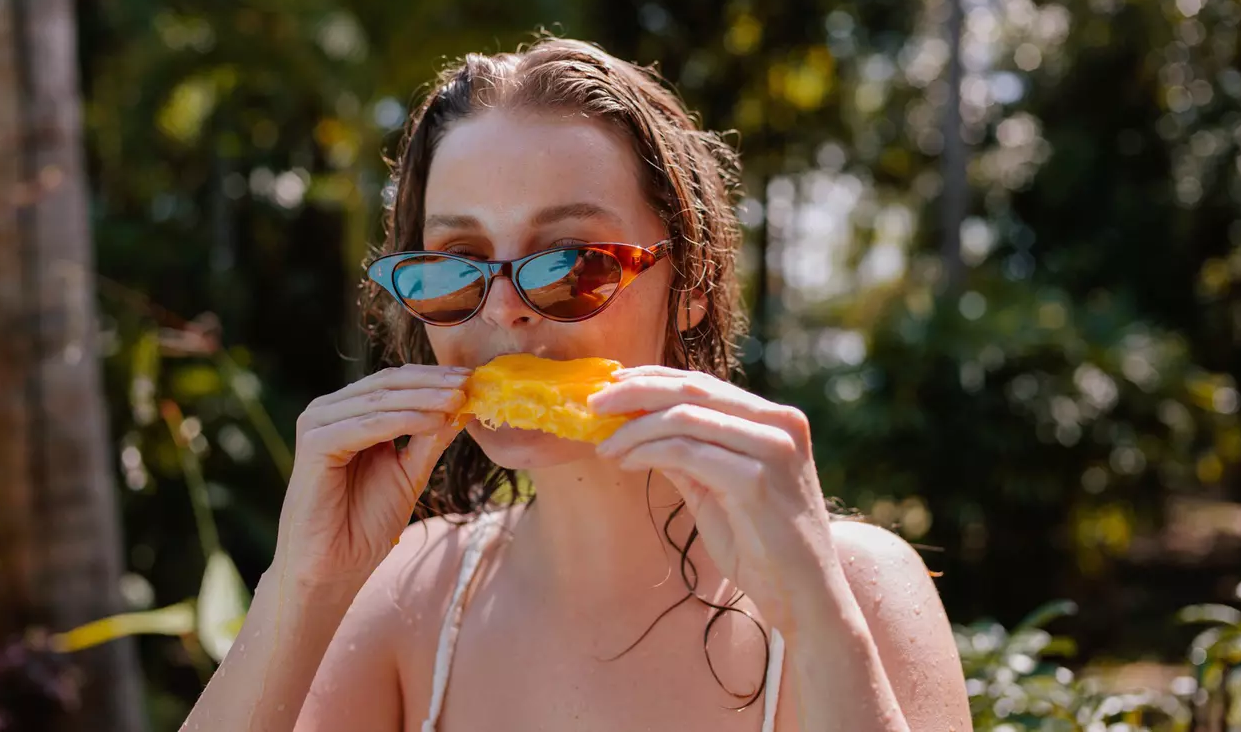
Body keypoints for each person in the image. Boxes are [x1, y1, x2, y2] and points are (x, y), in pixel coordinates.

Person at [180, 37, 972, 732]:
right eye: (456, 265)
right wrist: (307, 587)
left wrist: (818, 622)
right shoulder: (408, 595)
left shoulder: (853, 586)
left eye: (572, 264)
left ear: (691, 283)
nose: (503, 310)